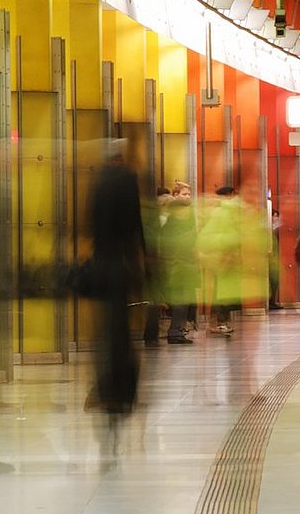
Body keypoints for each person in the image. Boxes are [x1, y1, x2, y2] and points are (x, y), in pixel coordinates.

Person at [87, 149, 151, 467]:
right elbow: (135, 226)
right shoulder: (127, 181)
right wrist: (143, 264)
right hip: (123, 268)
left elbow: (92, 228)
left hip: (102, 267)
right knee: (123, 333)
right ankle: (121, 391)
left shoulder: (98, 183)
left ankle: (106, 389)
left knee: (106, 332)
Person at [197, 185, 257, 335]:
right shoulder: (220, 213)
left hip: (226, 258)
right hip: (221, 258)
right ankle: (217, 323)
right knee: (220, 292)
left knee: (225, 291)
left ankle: (222, 321)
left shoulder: (225, 212)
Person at [147, 185, 199, 345]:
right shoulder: (173, 223)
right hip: (175, 266)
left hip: (175, 265)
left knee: (178, 300)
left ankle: (171, 331)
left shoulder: (169, 222)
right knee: (179, 299)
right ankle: (174, 331)